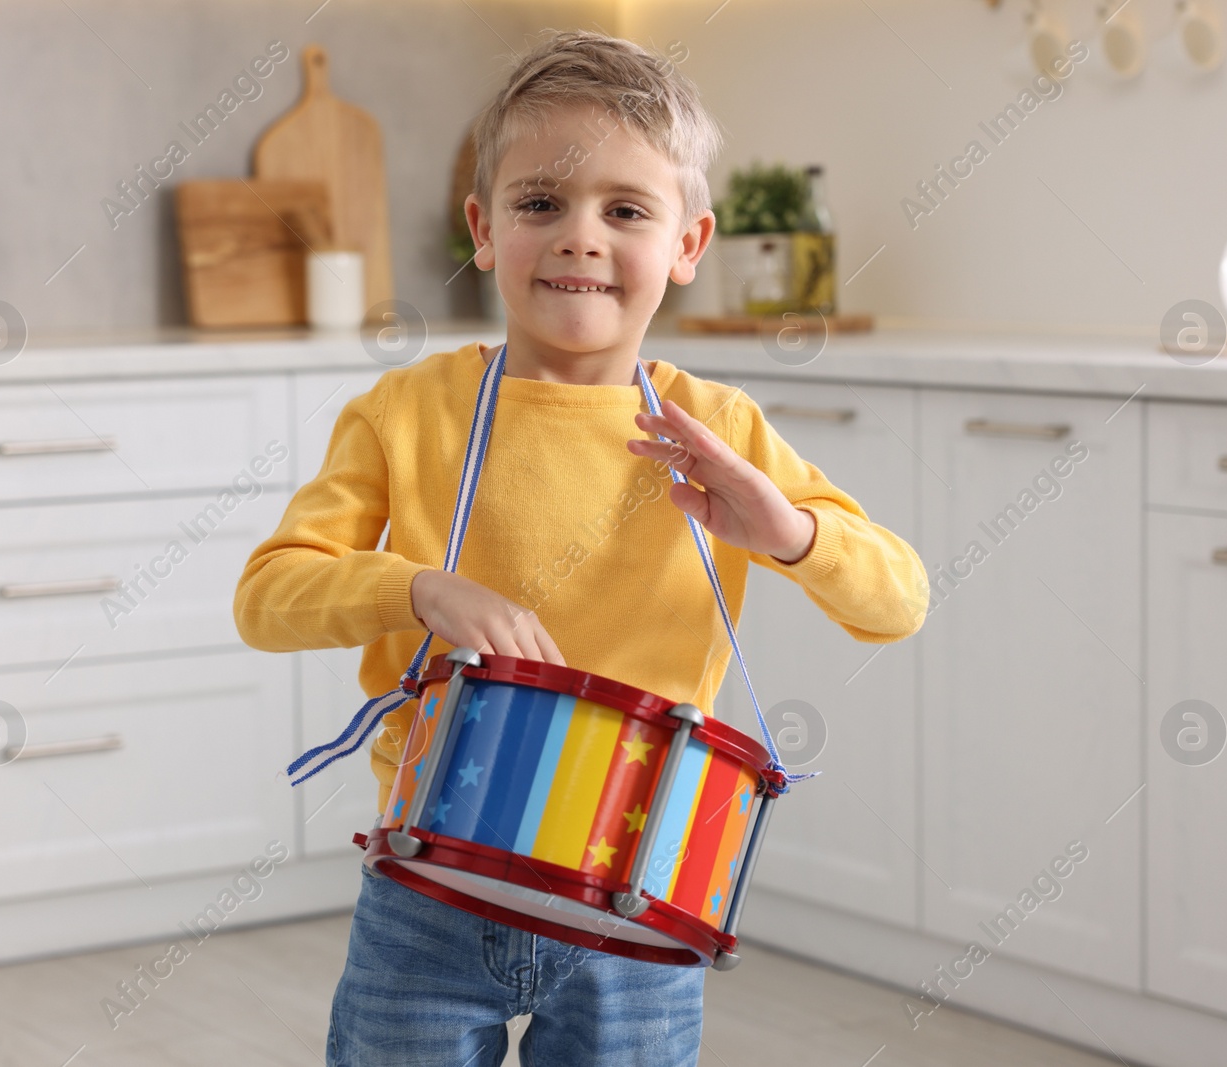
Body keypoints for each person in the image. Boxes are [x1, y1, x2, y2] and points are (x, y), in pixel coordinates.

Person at [232, 28, 928, 1067]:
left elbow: (896, 598)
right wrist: (421, 588)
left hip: (635, 894)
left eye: (626, 210)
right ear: (483, 226)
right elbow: (268, 596)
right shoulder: (408, 410)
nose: (580, 237)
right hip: (433, 874)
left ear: (689, 244)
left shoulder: (718, 427)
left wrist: (784, 530)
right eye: (539, 203)